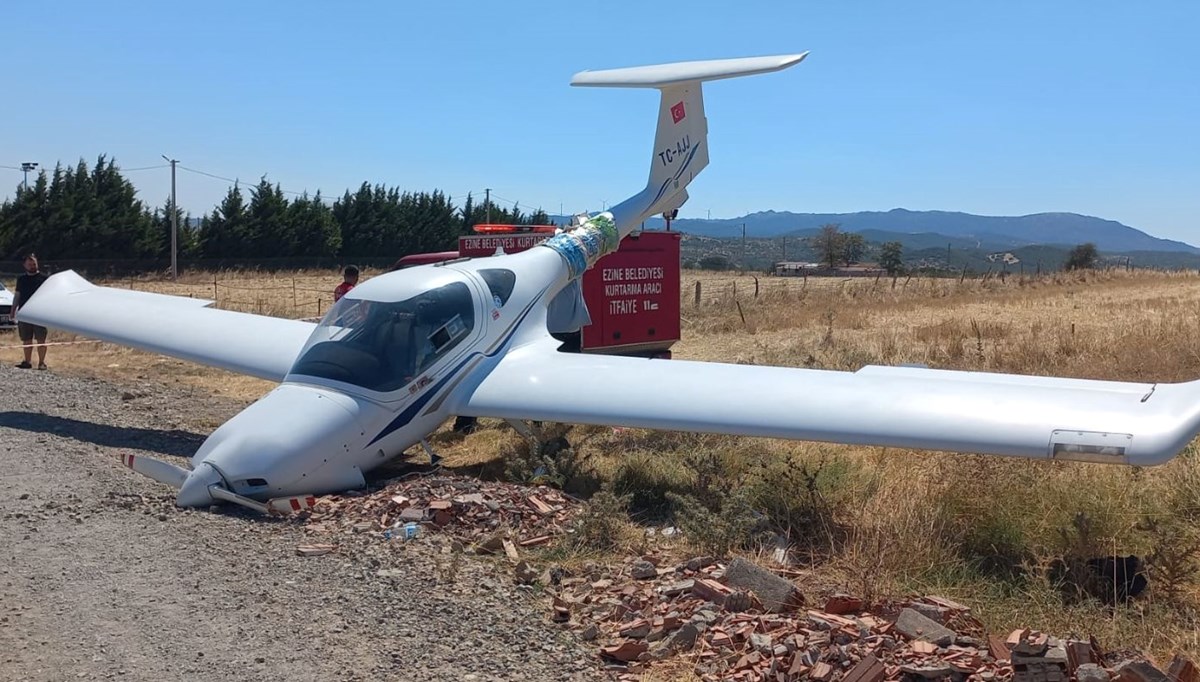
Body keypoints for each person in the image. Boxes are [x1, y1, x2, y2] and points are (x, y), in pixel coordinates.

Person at [13, 253, 50, 370]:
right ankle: (27, 361)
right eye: (30, 264)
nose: (32, 266)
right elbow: (17, 295)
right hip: (24, 313)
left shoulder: (45, 279)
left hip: (40, 313)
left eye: (34, 263)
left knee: (41, 339)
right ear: (24, 265)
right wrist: (13, 310)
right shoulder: (21, 279)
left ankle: (41, 363)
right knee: (26, 339)